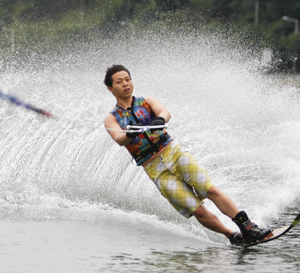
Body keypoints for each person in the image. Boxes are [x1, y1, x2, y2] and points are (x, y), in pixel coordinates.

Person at [103, 64, 271, 245]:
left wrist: (159, 119)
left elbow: (165, 113)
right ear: (111, 89)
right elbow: (119, 139)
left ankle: (248, 227)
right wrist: (130, 133)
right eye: (119, 82)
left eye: (128, 79)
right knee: (196, 210)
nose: (126, 84)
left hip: (173, 153)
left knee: (210, 190)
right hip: (155, 169)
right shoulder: (112, 118)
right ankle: (232, 236)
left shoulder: (147, 102)